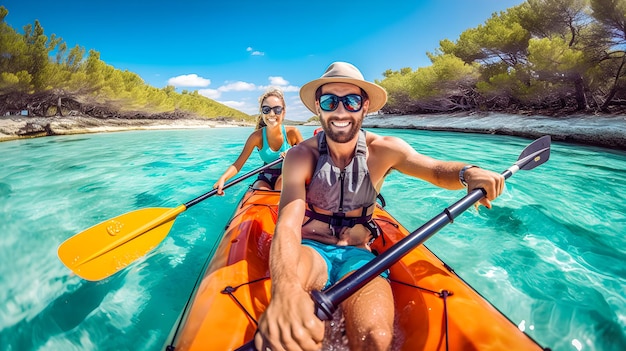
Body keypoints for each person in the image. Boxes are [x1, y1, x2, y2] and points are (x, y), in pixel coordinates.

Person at [254, 62, 506, 351]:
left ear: (365, 106)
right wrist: (284, 290)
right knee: (285, 309)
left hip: (358, 257)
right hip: (311, 250)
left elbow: (435, 169)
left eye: (351, 100)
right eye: (329, 101)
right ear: (318, 107)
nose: (340, 111)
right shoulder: (299, 156)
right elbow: (287, 222)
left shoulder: (385, 150)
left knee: (375, 338)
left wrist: (467, 173)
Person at [213, 88, 303, 194]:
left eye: (277, 109)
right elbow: (238, 164)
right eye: (266, 109)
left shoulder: (292, 132)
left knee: (281, 184)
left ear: (283, 112)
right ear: (262, 112)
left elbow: (309, 154)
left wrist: (294, 152)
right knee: (260, 190)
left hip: (287, 173)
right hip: (265, 177)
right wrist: (223, 178)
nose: (272, 114)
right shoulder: (256, 137)